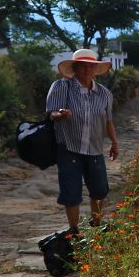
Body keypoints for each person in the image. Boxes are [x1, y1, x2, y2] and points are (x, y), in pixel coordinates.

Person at [46, 49, 119, 234]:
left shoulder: (104, 94)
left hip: (94, 148)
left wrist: (114, 143)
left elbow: (108, 121)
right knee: (71, 191)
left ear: (95, 69)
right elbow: (51, 114)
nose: (87, 70)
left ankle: (97, 226)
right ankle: (74, 231)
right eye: (83, 66)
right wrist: (61, 114)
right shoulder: (62, 86)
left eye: (91, 66)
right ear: (75, 68)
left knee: (99, 189)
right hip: (68, 147)